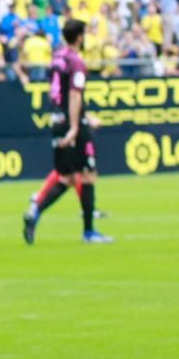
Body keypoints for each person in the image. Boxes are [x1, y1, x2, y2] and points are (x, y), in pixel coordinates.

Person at [22, 18, 112, 244]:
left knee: (68, 177)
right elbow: (74, 94)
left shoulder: (57, 58)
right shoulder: (76, 62)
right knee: (88, 174)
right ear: (80, 37)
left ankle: (36, 211)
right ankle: (89, 232)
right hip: (72, 122)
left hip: (56, 119)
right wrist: (75, 126)